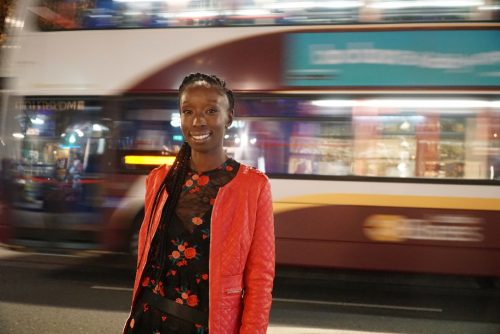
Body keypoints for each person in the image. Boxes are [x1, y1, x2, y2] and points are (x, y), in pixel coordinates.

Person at [123, 73, 275, 334]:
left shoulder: (254, 187)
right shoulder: (159, 180)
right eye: (188, 111)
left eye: (211, 110)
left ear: (229, 117)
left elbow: (260, 279)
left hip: (208, 327)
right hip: (149, 322)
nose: (198, 120)